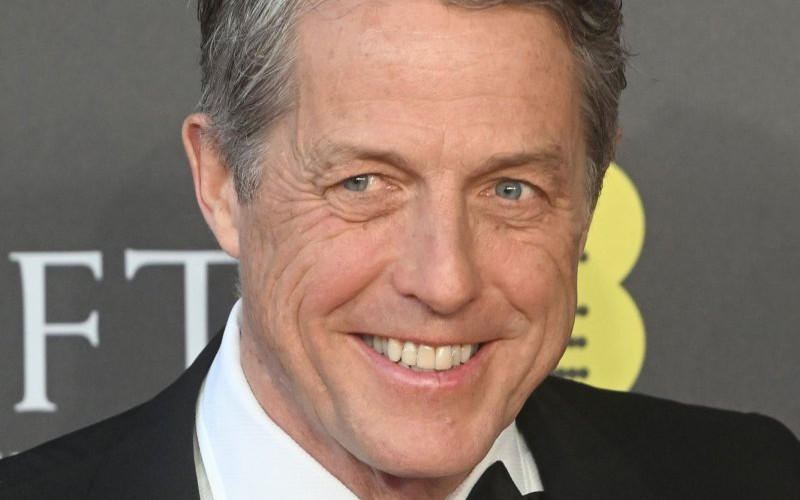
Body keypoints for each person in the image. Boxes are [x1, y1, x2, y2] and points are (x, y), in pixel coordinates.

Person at [1, 0, 798, 498]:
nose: (445, 280)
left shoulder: (752, 478)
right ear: (221, 183)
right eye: (363, 184)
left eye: (510, 189)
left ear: (588, 199)